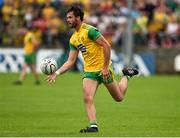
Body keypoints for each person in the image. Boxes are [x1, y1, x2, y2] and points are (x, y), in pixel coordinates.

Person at [46, 6, 139, 133]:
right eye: (67, 17)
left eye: (70, 17)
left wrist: (105, 67)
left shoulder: (90, 31)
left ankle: (127, 75)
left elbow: (106, 45)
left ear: (78, 18)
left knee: (119, 97)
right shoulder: (73, 39)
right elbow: (70, 61)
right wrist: (56, 73)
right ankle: (93, 125)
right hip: (89, 72)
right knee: (87, 97)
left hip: (103, 69)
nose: (67, 20)